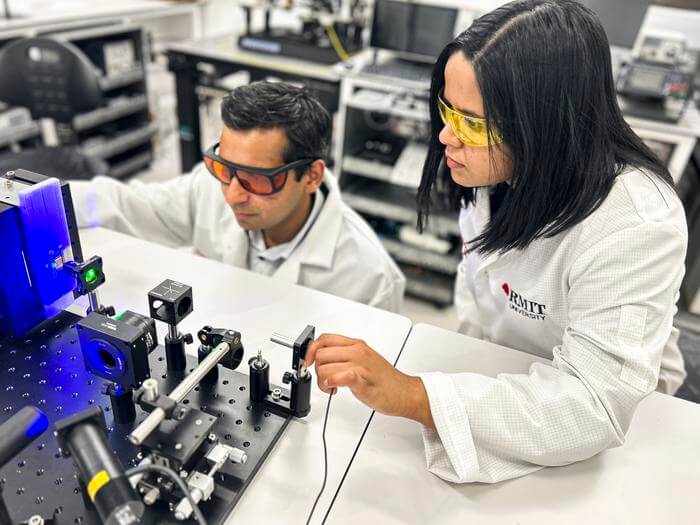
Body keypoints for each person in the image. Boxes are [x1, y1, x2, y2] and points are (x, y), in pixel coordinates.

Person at [305, 0, 688, 484]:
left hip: (622, 430)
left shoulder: (634, 224)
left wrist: (417, 396)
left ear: (545, 124)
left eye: (472, 123)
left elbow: (594, 406)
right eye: (448, 108)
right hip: (507, 377)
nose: (446, 135)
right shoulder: (494, 169)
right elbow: (480, 287)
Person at [71, 81, 405, 312]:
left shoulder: (370, 279)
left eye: (257, 179)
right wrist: (38, 202)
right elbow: (124, 204)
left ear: (311, 176)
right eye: (224, 167)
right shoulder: (210, 186)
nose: (232, 195)